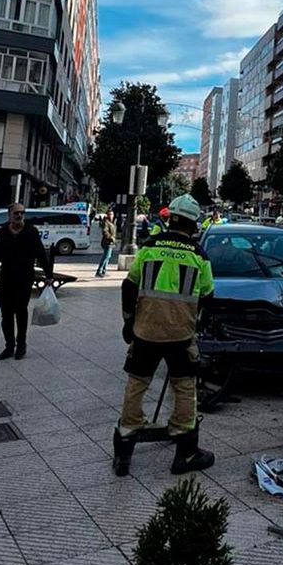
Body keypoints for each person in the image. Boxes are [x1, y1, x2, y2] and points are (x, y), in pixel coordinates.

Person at [113, 193, 215, 478]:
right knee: (184, 388)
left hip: (145, 331)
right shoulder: (198, 256)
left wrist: (128, 322)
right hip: (181, 335)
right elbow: (208, 296)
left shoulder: (149, 248)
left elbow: (128, 287)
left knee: (137, 384)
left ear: (171, 218)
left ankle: (124, 447)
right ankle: (185, 453)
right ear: (193, 224)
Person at [0, 203, 52, 360]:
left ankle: (21, 344)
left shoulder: (31, 231)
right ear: (9, 214)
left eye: (22, 213)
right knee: (7, 314)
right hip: (6, 278)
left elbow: (41, 254)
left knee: (21, 311)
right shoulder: (2, 232)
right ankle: (9, 346)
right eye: (16, 213)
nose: (19, 215)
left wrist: (48, 274)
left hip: (24, 278)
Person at [96, 209, 117, 277]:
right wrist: (111, 238)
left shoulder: (112, 222)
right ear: (107, 215)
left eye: (112, 214)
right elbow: (105, 232)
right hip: (107, 242)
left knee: (108, 257)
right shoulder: (106, 222)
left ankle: (104, 271)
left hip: (110, 243)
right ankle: (99, 271)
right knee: (106, 257)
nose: (111, 216)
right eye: (110, 214)